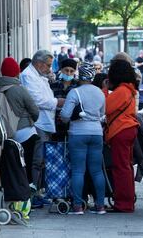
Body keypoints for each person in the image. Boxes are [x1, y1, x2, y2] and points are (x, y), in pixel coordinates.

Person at [20, 50, 65, 207]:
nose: (49, 68)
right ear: (39, 64)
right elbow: (37, 100)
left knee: (41, 160)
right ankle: (34, 193)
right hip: (38, 123)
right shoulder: (28, 76)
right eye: (47, 65)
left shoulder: (38, 75)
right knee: (37, 160)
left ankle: (38, 191)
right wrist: (57, 102)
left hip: (45, 122)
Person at [61, 63, 106, 215]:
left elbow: (65, 116)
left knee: (78, 171)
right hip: (97, 133)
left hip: (78, 133)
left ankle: (77, 206)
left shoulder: (74, 92)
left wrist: (67, 118)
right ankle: (100, 205)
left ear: (80, 75)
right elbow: (102, 114)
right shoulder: (100, 93)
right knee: (97, 171)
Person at [0, 57, 40, 188]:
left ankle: (18, 191)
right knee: (28, 166)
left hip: (9, 134)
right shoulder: (20, 89)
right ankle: (28, 194)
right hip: (26, 132)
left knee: (16, 166)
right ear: (17, 72)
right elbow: (35, 111)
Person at [104, 60, 139, 212]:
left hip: (121, 130)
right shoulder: (129, 90)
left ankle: (123, 203)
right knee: (126, 166)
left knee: (120, 167)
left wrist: (104, 89)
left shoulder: (122, 91)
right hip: (129, 129)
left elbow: (104, 106)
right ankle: (128, 201)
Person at [50, 58, 78, 141]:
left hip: (72, 126)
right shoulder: (53, 85)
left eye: (71, 71)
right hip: (55, 125)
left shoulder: (78, 86)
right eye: (66, 70)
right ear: (61, 70)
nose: (69, 73)